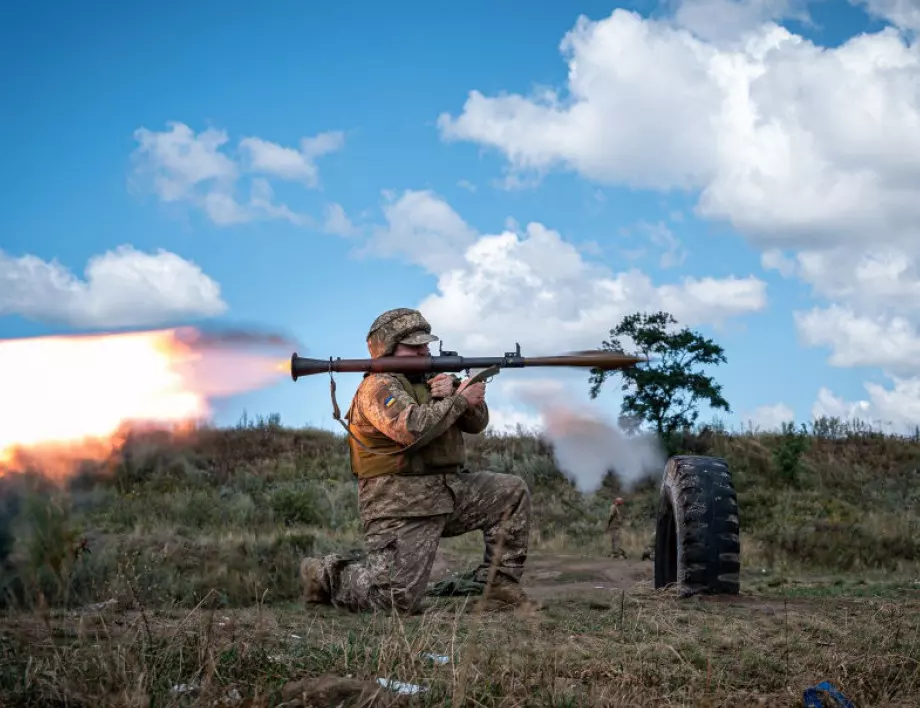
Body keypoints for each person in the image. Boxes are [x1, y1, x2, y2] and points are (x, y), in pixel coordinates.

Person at [299, 308, 540, 614]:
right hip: (400, 502)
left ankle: (500, 585)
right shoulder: (378, 387)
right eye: (413, 346)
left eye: (425, 344)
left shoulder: (432, 380)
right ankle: (326, 574)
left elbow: (477, 424)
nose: (424, 350)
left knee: (510, 492)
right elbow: (411, 429)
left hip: (447, 492)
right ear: (388, 349)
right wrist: (458, 400)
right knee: (395, 601)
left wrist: (456, 391)